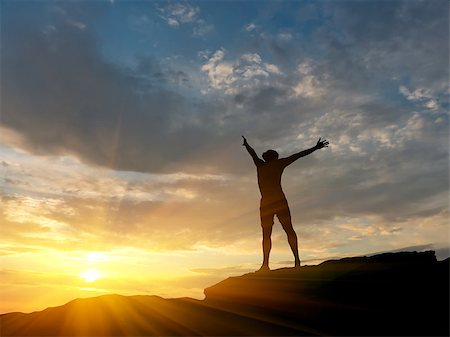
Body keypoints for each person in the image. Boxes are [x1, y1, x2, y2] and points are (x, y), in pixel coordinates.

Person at [242, 136, 329, 271]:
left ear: (268, 157)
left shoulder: (262, 164)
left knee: (270, 233)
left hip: (268, 203)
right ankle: (293, 261)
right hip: (276, 202)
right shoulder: (275, 163)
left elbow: (253, 153)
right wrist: (315, 148)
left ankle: (268, 264)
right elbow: (298, 155)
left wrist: (247, 145)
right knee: (286, 230)